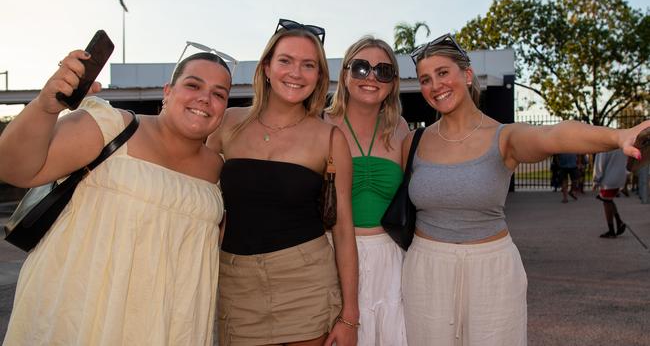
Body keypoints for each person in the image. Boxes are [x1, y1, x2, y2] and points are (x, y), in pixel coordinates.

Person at [402, 33, 650, 346]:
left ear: (466, 75)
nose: (435, 85)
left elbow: (554, 136)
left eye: (442, 73)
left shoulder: (503, 137)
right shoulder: (414, 142)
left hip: (491, 269)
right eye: (425, 79)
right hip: (426, 269)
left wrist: (618, 136)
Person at [0, 50, 231, 345]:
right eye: (193, 85)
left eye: (219, 94)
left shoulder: (220, 170)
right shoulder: (110, 126)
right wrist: (45, 107)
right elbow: (15, 169)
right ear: (168, 92)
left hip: (167, 325)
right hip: (83, 316)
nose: (205, 99)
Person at [206, 19, 359, 346]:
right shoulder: (227, 123)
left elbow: (344, 230)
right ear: (266, 67)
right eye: (285, 61)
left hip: (305, 281)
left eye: (308, 65)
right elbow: (190, 182)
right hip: (236, 283)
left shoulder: (330, 138)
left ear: (319, 76)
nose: (295, 73)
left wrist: (350, 317)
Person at [324, 36, 409, 345]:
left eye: (383, 71)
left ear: (393, 82)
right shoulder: (320, 124)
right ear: (345, 75)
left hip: (391, 259)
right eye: (361, 68)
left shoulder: (399, 129)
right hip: (332, 254)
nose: (371, 77)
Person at [593, 149, 628, 238]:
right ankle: (619, 221)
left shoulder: (604, 145)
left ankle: (611, 230)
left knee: (606, 202)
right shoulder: (620, 143)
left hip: (609, 178)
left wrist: (596, 180)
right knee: (609, 200)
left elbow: (600, 164)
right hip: (620, 176)